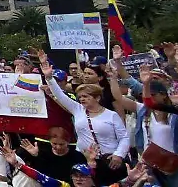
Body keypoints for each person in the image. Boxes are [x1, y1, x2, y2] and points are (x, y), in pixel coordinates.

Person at [41, 54, 130, 186]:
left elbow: (124, 137)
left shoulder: (111, 115)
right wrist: (49, 77)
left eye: (86, 96)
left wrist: (119, 155)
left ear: (97, 98)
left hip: (109, 160)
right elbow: (59, 95)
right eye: (80, 96)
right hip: (84, 159)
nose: (82, 99)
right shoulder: (78, 109)